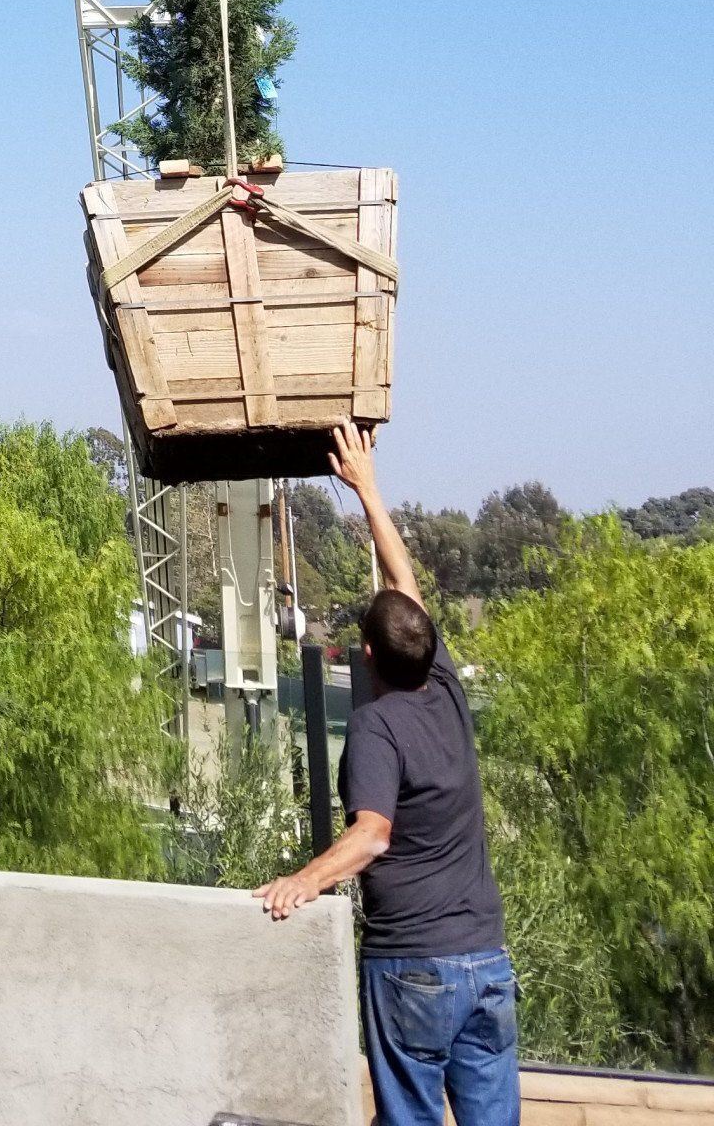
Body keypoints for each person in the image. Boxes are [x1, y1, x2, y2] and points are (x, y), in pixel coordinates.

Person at [254, 423, 518, 1126]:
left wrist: (304, 880)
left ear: (365, 655)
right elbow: (405, 585)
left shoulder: (376, 725)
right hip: (487, 962)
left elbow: (372, 834)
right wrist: (367, 487)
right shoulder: (448, 688)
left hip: (414, 967)